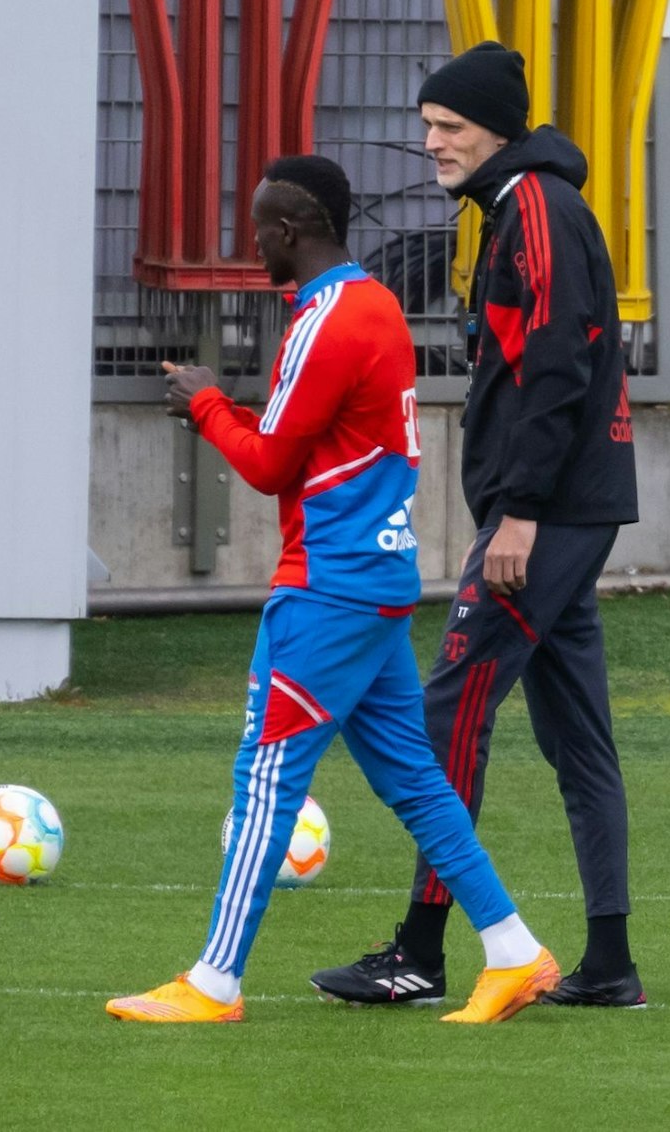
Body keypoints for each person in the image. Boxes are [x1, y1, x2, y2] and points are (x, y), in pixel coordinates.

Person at [105, 155, 560, 1025]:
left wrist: (205, 405)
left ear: (287, 232)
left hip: (329, 585)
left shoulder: (322, 323)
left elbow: (272, 464)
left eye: (259, 228)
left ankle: (213, 983)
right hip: (378, 578)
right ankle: (513, 951)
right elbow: (308, 447)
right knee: (415, 781)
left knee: (266, 778)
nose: (254, 242)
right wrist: (227, 410)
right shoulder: (374, 305)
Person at [311, 42, 644, 1009]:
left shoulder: (535, 207)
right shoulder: (520, 207)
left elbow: (555, 369)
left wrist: (521, 514)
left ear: (498, 128)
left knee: (449, 711)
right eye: (427, 126)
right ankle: (611, 962)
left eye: (449, 127)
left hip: (550, 515)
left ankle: (423, 948)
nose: (432, 142)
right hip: (569, 511)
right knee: (579, 741)